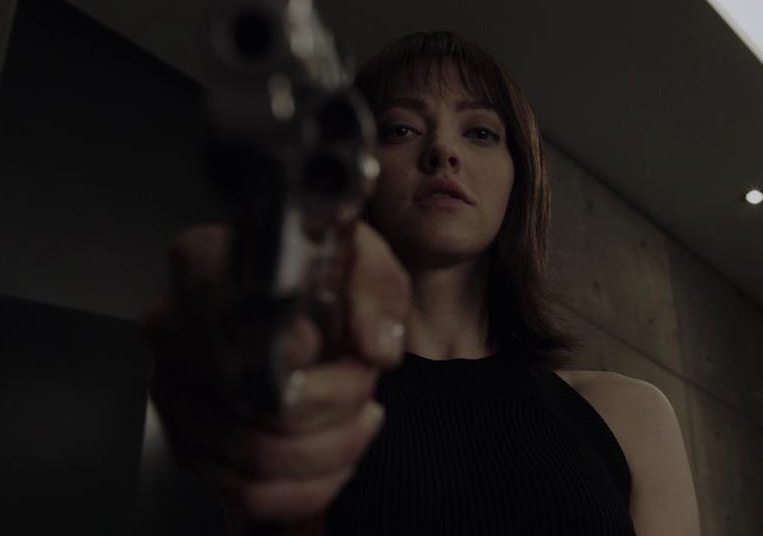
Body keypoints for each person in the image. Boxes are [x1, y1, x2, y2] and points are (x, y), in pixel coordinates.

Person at [143, 31, 700, 535]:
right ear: (352, 174)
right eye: (400, 129)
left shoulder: (629, 415)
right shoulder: (302, 401)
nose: (443, 152)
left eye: (480, 132)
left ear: (519, 180)